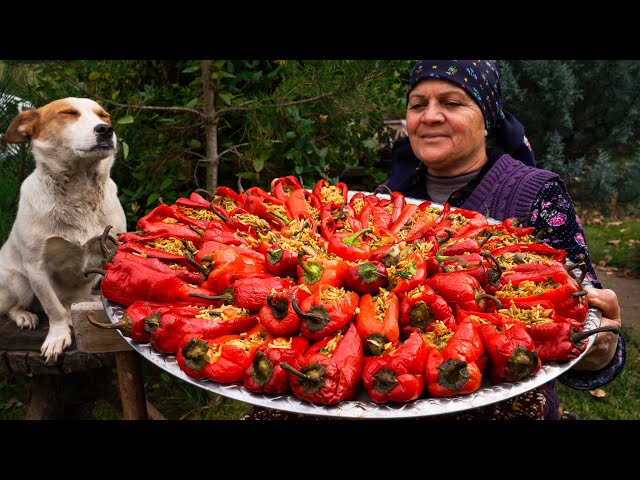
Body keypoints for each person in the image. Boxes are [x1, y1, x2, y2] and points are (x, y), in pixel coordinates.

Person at [379, 59, 625, 419]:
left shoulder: (536, 193)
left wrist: (601, 347)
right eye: (418, 105)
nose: (430, 116)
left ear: (488, 120)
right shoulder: (384, 201)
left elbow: (582, 318)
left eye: (451, 103)